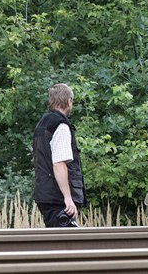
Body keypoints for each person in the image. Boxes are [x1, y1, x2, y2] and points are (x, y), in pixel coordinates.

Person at [33, 83, 85, 227]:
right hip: (58, 199)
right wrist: (68, 198)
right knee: (69, 245)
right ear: (69, 101)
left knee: (56, 244)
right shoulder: (60, 125)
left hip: (45, 194)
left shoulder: (42, 123)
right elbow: (59, 163)